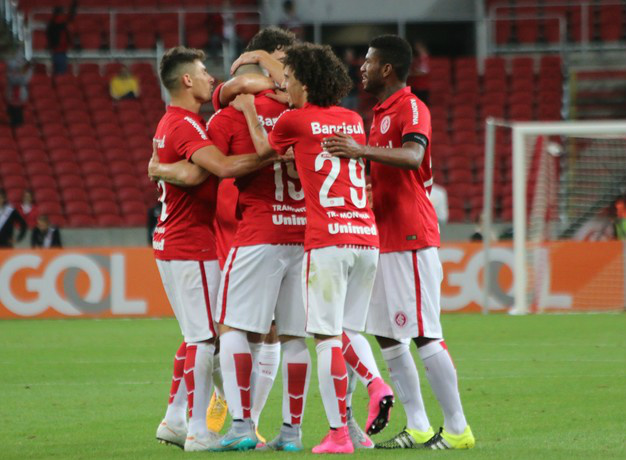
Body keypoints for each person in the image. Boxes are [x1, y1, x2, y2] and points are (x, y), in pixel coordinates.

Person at [232, 42, 388, 454]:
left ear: (306, 82)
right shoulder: (355, 119)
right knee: (350, 334)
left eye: (293, 79)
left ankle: (338, 434)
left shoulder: (293, 120)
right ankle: (361, 411)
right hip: (366, 238)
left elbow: (265, 152)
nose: (288, 85)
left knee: (327, 340)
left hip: (328, 241)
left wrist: (250, 111)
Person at [323, 34, 475, 450]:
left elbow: (412, 157)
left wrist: (360, 151)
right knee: (389, 336)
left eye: (368, 62)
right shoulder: (379, 113)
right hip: (383, 237)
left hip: (411, 236)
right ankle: (420, 425)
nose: (362, 68)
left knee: (426, 333)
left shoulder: (411, 106)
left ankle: (459, 429)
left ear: (387, 68)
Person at [155, 55, 311, 451]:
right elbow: (216, 169)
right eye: (205, 72)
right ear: (187, 80)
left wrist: (157, 169)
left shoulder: (209, 121)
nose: (213, 79)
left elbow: (192, 173)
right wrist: (271, 154)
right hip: (193, 242)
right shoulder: (297, 114)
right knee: (208, 338)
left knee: (214, 336)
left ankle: (206, 423)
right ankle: (198, 429)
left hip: (198, 238)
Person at [46, 0, 78, 75]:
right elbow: (70, 16)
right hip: (60, 50)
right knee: (61, 73)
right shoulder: (60, 22)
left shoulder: (51, 23)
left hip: (57, 50)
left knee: (57, 71)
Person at [6, 49, 33, 127]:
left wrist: (25, 70)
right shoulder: (11, 67)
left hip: (20, 92)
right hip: (12, 92)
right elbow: (12, 79)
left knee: (19, 111)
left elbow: (26, 79)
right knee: (13, 110)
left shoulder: (24, 68)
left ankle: (19, 123)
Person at [409, 40, 430, 104]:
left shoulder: (425, 59)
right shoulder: (416, 59)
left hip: (422, 87)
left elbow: (423, 72)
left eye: (419, 47)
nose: (417, 48)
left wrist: (411, 73)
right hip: (414, 87)